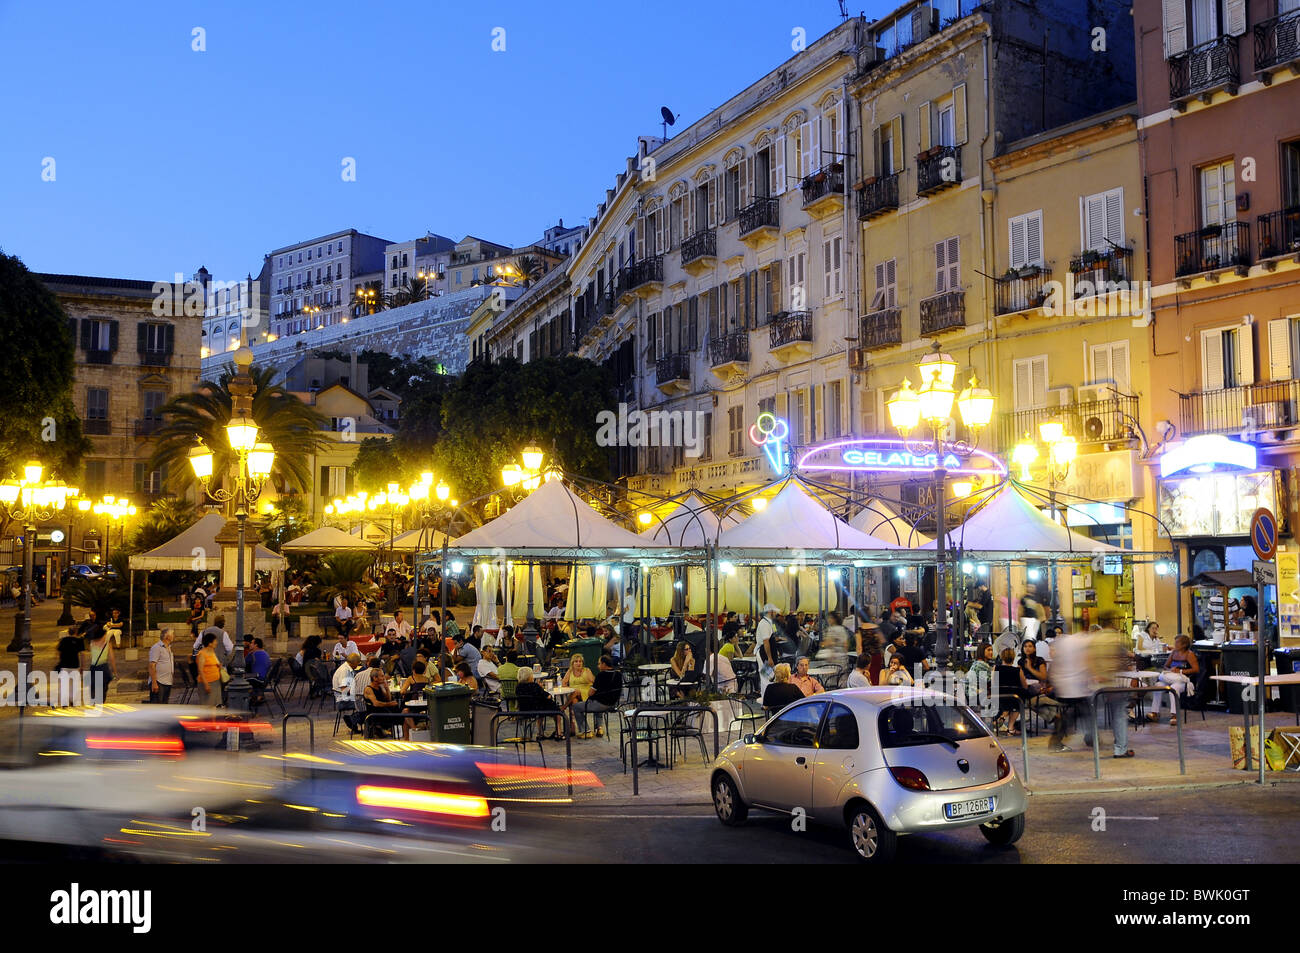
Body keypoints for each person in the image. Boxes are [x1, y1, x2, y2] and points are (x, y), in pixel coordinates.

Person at [1148, 634, 1200, 724]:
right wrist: (1170, 670)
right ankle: (1155, 712)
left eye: (1177, 642)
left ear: (1183, 645)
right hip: (1171, 678)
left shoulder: (1189, 655)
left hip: (1183, 681)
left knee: (1174, 688)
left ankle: (1174, 715)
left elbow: (1196, 669)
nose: (1174, 644)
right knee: (1158, 685)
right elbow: (1166, 666)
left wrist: (1180, 671)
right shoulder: (1173, 653)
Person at [573, 655, 622, 738]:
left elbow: (590, 693)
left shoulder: (601, 675)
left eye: (599, 664)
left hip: (601, 705)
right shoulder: (618, 674)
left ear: (604, 664)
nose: (598, 666)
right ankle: (599, 728)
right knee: (596, 701)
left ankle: (585, 731)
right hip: (613, 704)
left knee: (576, 706)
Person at [515, 667, 566, 739]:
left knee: (540, 708)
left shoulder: (518, 687)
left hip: (524, 710)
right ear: (529, 676)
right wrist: (541, 688)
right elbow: (547, 696)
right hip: (537, 709)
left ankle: (540, 733)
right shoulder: (534, 686)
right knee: (556, 710)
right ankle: (559, 733)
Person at [562, 654, 596, 732]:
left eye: (580, 661)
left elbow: (594, 682)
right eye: (576, 661)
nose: (578, 663)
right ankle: (582, 728)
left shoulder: (587, 670)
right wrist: (570, 689)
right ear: (572, 663)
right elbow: (563, 683)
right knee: (574, 702)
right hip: (574, 693)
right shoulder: (570, 671)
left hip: (586, 692)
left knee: (576, 692)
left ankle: (564, 706)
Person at [755, 604, 780, 693]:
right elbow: (766, 642)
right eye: (775, 611)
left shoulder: (768, 622)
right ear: (770, 612)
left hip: (766, 652)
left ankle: (767, 701)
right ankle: (766, 702)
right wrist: (769, 658)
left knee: (769, 677)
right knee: (767, 677)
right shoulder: (764, 624)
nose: (776, 613)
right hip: (763, 653)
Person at [195, 633, 223, 707]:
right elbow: (200, 670)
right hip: (207, 683)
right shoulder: (202, 654)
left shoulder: (212, 652)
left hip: (215, 682)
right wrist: (206, 684)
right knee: (207, 706)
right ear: (210, 643)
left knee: (214, 705)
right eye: (215, 641)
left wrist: (219, 667)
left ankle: (213, 719)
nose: (216, 643)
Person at [148, 628, 175, 704]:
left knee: (164, 705)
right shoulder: (156, 648)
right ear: (167, 636)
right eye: (172, 634)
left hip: (167, 681)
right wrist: (154, 683)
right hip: (159, 681)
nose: (174, 636)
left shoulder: (168, 647)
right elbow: (152, 665)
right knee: (157, 706)